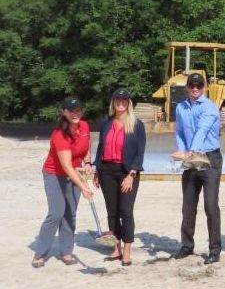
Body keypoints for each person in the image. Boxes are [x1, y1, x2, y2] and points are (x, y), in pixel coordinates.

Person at [32, 97, 93, 268]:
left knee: (70, 213)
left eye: (78, 110)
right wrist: (83, 186)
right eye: (71, 111)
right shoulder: (60, 134)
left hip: (76, 172)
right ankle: (40, 253)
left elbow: (87, 145)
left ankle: (66, 251)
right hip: (55, 174)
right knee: (56, 213)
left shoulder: (85, 126)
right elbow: (66, 166)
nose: (75, 113)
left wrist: (87, 162)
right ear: (64, 112)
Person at [172, 73, 223, 265]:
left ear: (204, 87)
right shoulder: (181, 108)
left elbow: (202, 130)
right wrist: (182, 151)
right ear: (187, 87)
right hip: (190, 159)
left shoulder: (210, 107)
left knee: (210, 206)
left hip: (209, 158)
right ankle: (187, 246)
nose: (195, 88)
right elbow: (179, 132)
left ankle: (214, 250)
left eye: (199, 85)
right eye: (192, 85)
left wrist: (191, 152)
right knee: (188, 206)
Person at [93, 88, 146, 267]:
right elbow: (100, 148)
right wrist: (97, 170)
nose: (120, 102)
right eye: (118, 99)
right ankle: (116, 248)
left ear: (128, 103)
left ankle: (127, 250)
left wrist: (131, 174)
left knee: (126, 211)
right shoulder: (106, 122)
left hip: (127, 172)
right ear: (113, 102)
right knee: (112, 212)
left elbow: (140, 152)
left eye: (124, 100)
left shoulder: (137, 124)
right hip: (106, 171)